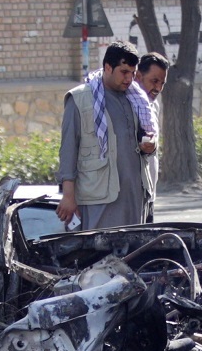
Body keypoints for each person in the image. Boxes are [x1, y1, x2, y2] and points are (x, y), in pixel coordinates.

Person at [55, 41, 157, 231]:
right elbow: (68, 149)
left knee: (134, 255)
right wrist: (68, 196)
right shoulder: (80, 99)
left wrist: (150, 146)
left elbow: (143, 137)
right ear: (108, 67)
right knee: (101, 256)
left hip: (133, 195)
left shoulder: (135, 99)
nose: (129, 79)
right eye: (124, 72)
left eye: (133, 73)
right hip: (99, 199)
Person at [135, 51, 170, 221]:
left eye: (162, 83)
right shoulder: (128, 103)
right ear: (138, 76)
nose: (157, 88)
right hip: (132, 193)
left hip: (149, 191)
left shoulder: (153, 104)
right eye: (154, 81)